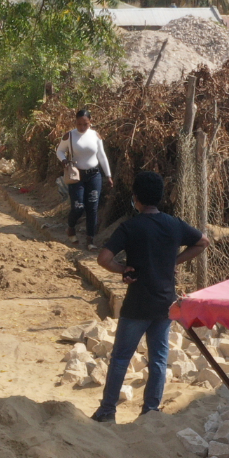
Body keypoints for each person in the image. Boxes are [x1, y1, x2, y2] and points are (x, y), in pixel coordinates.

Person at [91, 171, 206, 424]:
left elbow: (103, 259)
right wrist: (173, 261)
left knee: (121, 357)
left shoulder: (130, 227)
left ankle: (107, 411)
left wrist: (123, 270)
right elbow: (202, 242)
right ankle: (150, 411)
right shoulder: (174, 224)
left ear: (136, 199)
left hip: (137, 304)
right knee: (159, 359)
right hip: (165, 303)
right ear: (160, 197)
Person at [56, 109, 111, 249]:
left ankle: (90, 239)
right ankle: (71, 227)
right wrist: (64, 161)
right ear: (75, 122)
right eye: (79, 124)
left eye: (85, 124)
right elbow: (59, 151)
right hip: (76, 175)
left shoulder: (96, 136)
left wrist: (108, 175)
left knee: (92, 207)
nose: (82, 127)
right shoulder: (69, 136)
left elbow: (102, 156)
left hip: (94, 175)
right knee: (78, 206)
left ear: (90, 122)